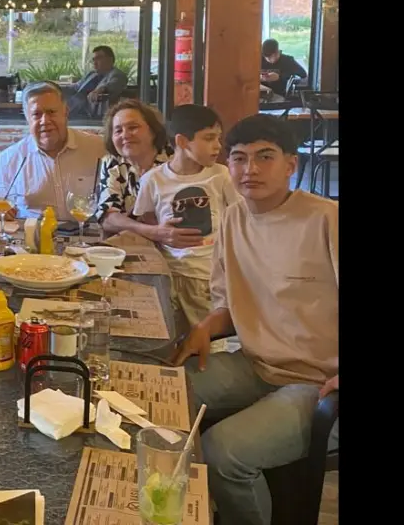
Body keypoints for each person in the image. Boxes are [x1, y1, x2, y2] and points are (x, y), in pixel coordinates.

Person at [172, 114, 338, 525]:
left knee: (221, 452)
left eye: (265, 157)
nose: (251, 170)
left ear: (290, 165)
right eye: (240, 158)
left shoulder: (326, 219)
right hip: (255, 365)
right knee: (161, 393)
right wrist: (205, 328)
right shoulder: (233, 220)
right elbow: (230, 304)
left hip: (316, 383)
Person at [132, 105, 239, 349]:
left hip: (206, 276)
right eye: (209, 138)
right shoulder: (153, 179)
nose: (218, 146)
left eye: (219, 139)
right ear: (182, 141)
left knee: (208, 344)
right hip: (167, 274)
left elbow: (240, 219)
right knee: (166, 340)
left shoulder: (221, 175)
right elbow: (146, 220)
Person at [0, 81, 105, 220]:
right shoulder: (9, 158)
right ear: (27, 118)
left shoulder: (98, 149)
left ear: (66, 113)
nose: (45, 120)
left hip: (88, 237)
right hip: (32, 238)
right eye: (37, 114)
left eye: (51, 112)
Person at [95, 99, 203, 252]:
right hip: (129, 249)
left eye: (133, 127)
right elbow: (107, 217)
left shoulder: (176, 160)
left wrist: (128, 222)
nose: (125, 135)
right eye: (118, 130)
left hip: (181, 248)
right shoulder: (113, 163)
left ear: (153, 131)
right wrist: (154, 232)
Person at [64, 45, 127, 118]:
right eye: (93, 59)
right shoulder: (92, 74)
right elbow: (76, 87)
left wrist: (99, 90)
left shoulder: (117, 74)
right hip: (72, 109)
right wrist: (55, 87)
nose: (94, 62)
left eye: (98, 58)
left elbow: (113, 85)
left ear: (110, 59)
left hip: (89, 115)